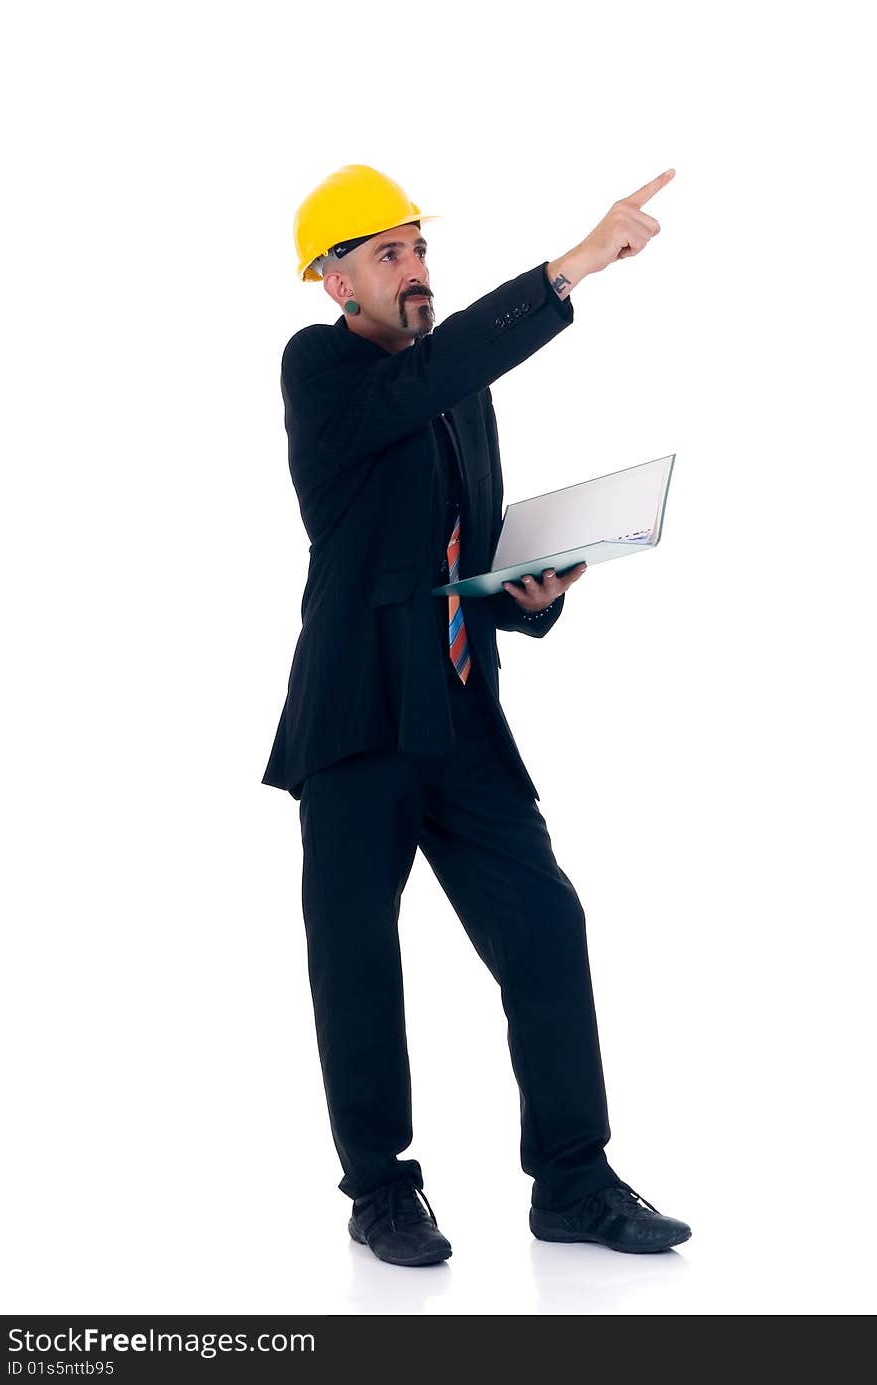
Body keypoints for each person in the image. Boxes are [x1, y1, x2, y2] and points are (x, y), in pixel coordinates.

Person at [263, 163, 690, 1266]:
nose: (415, 270)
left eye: (418, 248)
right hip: (358, 721)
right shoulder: (320, 367)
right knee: (355, 957)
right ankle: (381, 1189)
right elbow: (406, 397)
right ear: (332, 280)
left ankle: (575, 1181)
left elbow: (453, 553)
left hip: (458, 715)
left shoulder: (461, 386)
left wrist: (523, 593)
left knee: (545, 927)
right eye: (389, 254)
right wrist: (569, 269)